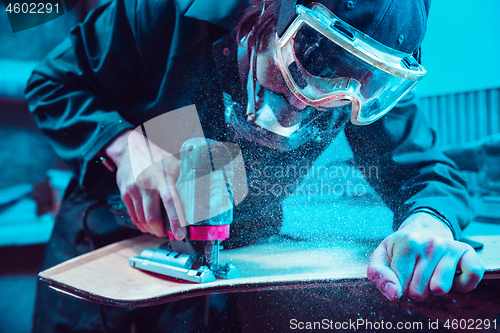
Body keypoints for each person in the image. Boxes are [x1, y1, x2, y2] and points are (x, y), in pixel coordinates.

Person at [26, 0, 485, 331]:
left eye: (326, 104)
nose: (299, 110)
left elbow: (427, 173)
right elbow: (51, 83)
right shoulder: (163, 12)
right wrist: (123, 146)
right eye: (289, 86)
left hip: (237, 270)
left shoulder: (365, 76)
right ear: (270, 12)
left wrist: (429, 225)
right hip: (114, 252)